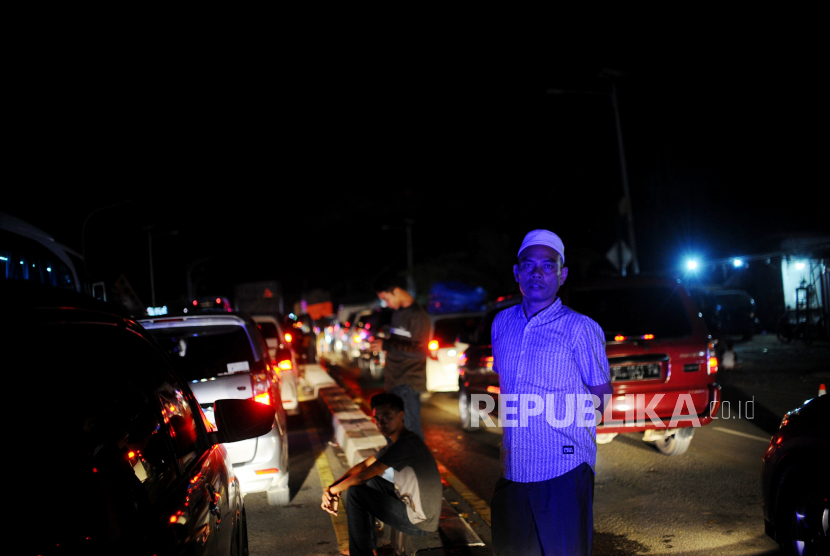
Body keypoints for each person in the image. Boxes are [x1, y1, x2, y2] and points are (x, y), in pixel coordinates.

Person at [490, 229, 613, 556]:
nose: (537, 273)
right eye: (529, 265)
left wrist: (572, 438)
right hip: (514, 471)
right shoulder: (501, 323)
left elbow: (602, 394)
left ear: (562, 274)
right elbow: (508, 388)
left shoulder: (580, 327)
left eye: (548, 265)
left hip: (562, 472)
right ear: (517, 273)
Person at [321, 392, 442, 556]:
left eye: (387, 417)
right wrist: (331, 487)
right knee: (371, 484)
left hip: (420, 521)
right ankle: (368, 547)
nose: (381, 423)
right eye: (377, 418)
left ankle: (360, 552)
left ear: (401, 416)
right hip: (410, 504)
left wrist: (331, 492)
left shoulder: (406, 445)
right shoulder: (400, 441)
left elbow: (362, 476)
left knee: (357, 492)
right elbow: (364, 465)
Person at [369, 272, 431, 440]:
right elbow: (400, 342)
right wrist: (384, 341)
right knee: (395, 434)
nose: (386, 304)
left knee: (410, 434)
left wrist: (387, 345)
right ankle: (402, 465)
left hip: (408, 383)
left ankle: (421, 466)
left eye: (386, 299)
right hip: (395, 382)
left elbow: (420, 352)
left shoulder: (418, 316)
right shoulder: (398, 313)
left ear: (396, 291)